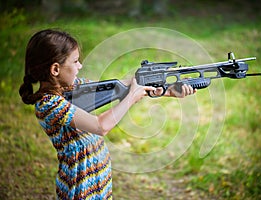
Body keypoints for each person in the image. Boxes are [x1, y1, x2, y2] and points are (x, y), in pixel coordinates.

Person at [19, 29, 195, 199]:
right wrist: (132, 97)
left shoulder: (72, 87)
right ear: (55, 70)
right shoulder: (49, 104)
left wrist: (167, 90)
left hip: (99, 181)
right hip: (79, 187)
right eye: (75, 62)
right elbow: (101, 126)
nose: (80, 66)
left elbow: (120, 87)